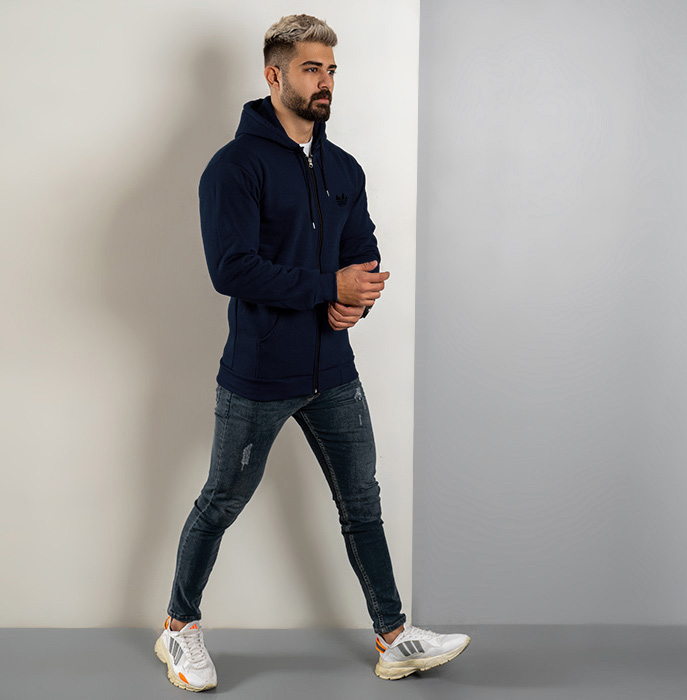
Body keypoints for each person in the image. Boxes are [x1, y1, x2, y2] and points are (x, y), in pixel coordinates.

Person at [154, 14, 470, 692]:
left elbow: (363, 253)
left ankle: (393, 637)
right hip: (260, 375)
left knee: (362, 503)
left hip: (334, 372)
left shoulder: (342, 167)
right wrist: (327, 287)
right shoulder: (234, 167)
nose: (325, 82)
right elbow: (231, 269)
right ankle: (179, 627)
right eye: (310, 69)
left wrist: (354, 301)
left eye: (330, 70)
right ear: (274, 75)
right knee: (220, 501)